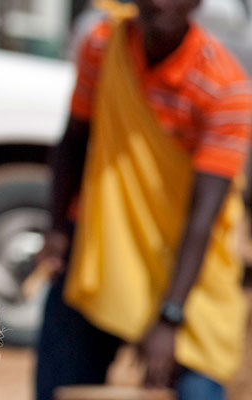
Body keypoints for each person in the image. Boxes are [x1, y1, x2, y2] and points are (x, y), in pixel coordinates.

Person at [35, 0, 251, 399]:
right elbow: (73, 142)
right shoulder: (103, 46)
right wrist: (56, 230)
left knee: (197, 387)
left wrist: (170, 318)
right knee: (60, 383)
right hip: (102, 249)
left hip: (188, 268)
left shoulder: (225, 87)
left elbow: (203, 216)